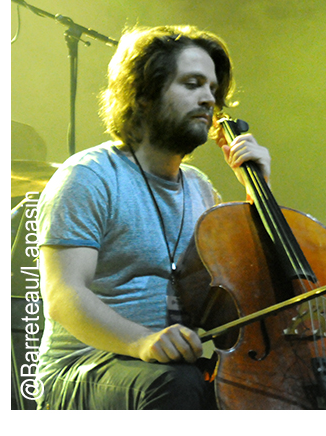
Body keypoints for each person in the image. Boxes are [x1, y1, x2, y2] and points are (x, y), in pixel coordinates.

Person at [34, 25, 272, 409]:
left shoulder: (201, 189)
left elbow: (238, 298)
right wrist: (141, 340)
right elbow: (64, 295)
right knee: (178, 385)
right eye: (193, 84)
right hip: (83, 368)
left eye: (213, 90)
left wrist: (259, 193)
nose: (209, 100)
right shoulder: (90, 175)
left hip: (171, 369)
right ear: (144, 95)